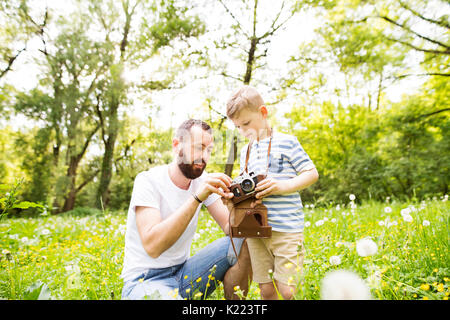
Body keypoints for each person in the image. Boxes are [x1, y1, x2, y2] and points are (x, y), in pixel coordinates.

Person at [121, 119, 252, 300]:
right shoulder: (148, 181)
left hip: (184, 275)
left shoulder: (202, 180)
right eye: (198, 147)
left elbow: (231, 229)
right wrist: (197, 197)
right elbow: (153, 247)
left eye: (209, 150)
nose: (204, 156)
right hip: (144, 281)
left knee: (242, 242)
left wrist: (238, 206)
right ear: (177, 146)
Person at [226, 85, 319, 300]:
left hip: (286, 229)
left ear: (263, 112)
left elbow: (311, 173)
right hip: (256, 229)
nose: (243, 131)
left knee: (286, 291)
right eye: (238, 127)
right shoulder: (245, 150)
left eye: (247, 123)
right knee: (266, 289)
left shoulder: (287, 142)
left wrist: (281, 186)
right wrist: (233, 194)